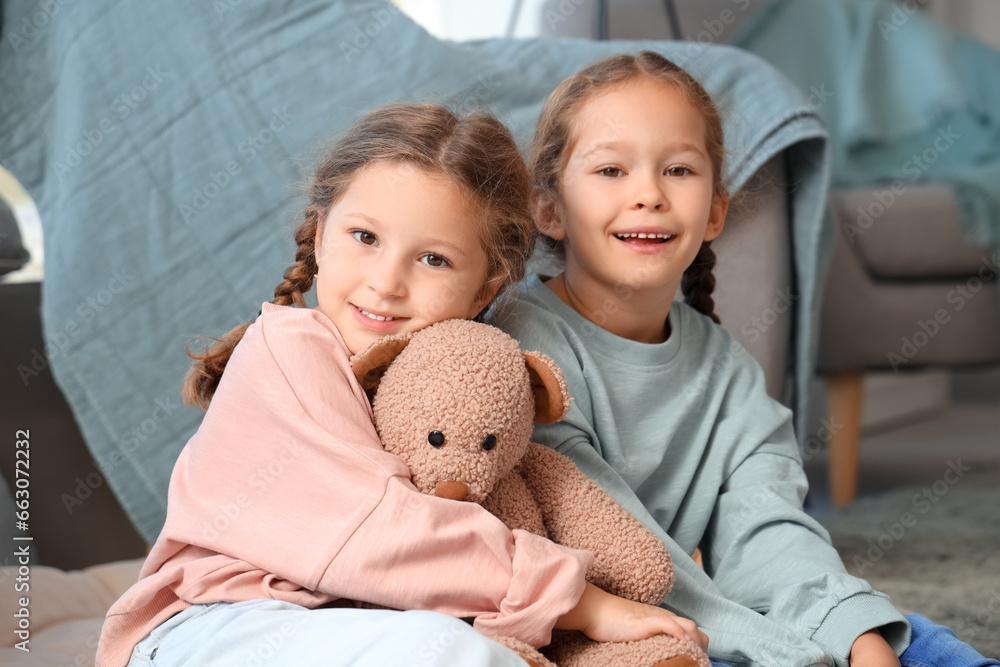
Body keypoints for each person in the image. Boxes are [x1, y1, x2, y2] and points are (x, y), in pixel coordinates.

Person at [95, 103, 708, 667]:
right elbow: (381, 533)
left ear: (487, 288)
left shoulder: (456, 380)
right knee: (444, 652)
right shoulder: (289, 348)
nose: (387, 282)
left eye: (433, 259)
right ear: (321, 232)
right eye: (365, 238)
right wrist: (584, 602)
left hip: (355, 624)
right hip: (224, 623)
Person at [494, 51, 1000, 667]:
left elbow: (769, 531)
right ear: (549, 208)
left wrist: (857, 640)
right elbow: (612, 549)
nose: (649, 194)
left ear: (715, 212)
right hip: (582, 629)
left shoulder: (727, 371)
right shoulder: (517, 343)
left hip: (707, 624)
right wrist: (781, 649)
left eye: (678, 169)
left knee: (908, 638)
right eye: (611, 170)